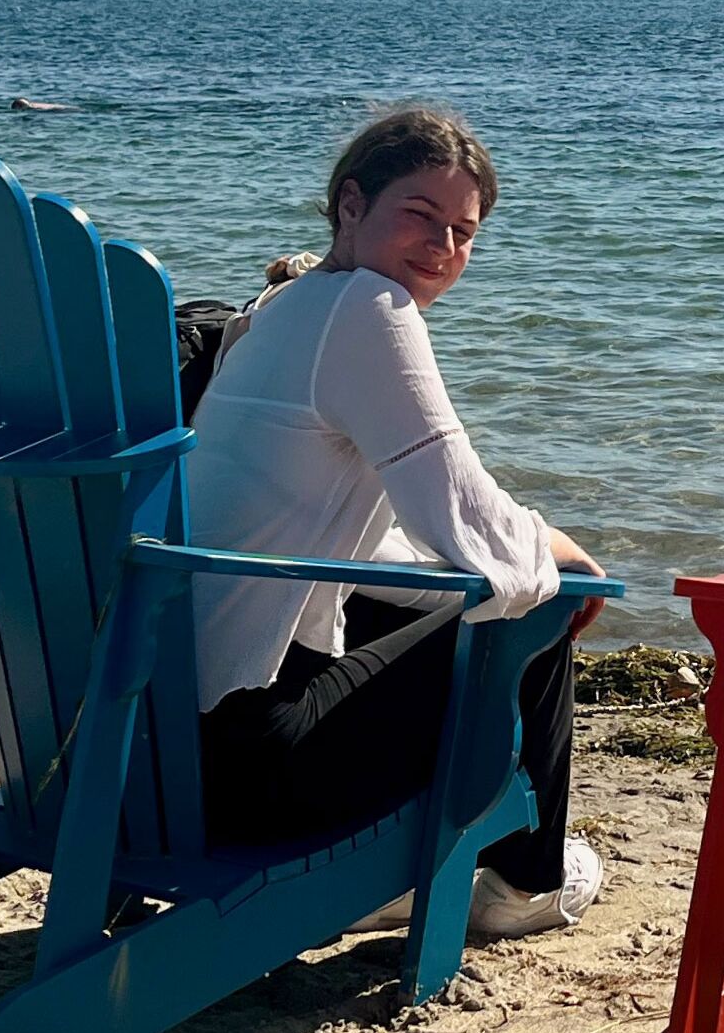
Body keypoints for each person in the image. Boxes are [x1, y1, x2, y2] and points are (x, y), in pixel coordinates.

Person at [185, 107, 610, 937]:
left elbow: (388, 538)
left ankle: (450, 871)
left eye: (463, 231)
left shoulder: (285, 303)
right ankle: (524, 881)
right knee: (542, 608)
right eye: (419, 215)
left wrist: (515, 553)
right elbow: (472, 526)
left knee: (450, 602)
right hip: (246, 776)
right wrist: (565, 552)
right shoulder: (368, 310)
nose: (442, 247)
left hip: (160, 747)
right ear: (350, 205)